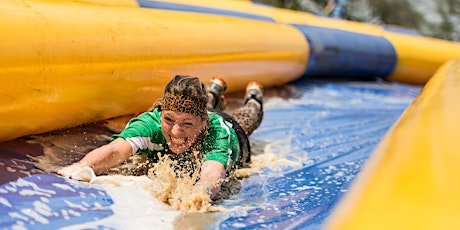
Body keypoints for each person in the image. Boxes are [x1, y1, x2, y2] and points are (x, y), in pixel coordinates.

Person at [58, 75, 264, 199]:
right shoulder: (151, 123)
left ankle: (253, 97)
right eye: (169, 120)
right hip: (201, 112)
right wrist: (81, 167)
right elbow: (115, 150)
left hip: (233, 131)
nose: (175, 133)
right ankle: (214, 90)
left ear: (203, 123)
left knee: (247, 118)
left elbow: (211, 175)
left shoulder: (217, 133)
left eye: (187, 124)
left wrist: (194, 197)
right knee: (202, 106)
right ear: (161, 113)